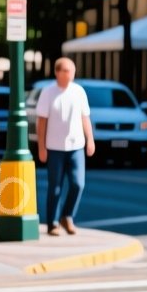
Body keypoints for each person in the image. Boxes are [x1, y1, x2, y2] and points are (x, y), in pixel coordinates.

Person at [35, 57, 94, 237]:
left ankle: (67, 216)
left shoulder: (79, 91)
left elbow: (85, 118)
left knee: (78, 184)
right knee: (55, 187)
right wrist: (42, 147)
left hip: (76, 146)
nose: (71, 74)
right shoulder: (48, 92)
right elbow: (41, 121)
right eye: (67, 71)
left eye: (72, 71)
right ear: (57, 73)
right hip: (55, 147)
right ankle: (52, 222)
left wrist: (90, 140)